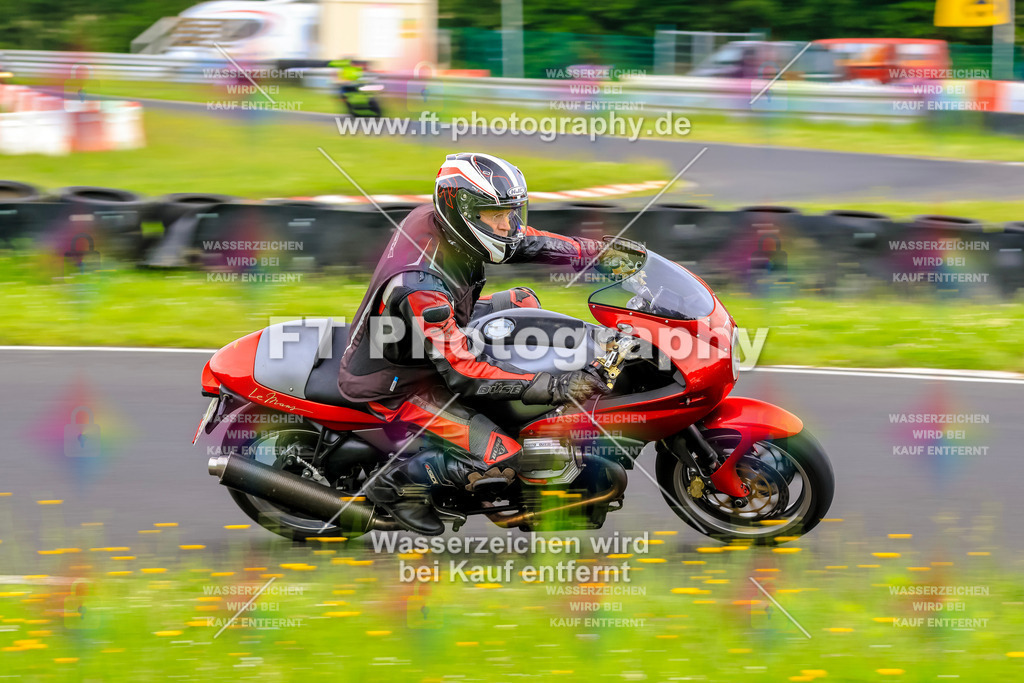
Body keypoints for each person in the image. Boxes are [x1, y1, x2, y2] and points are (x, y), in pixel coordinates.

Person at [337, 152, 628, 535]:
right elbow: (461, 372)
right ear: (464, 210)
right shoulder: (419, 286)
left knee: (523, 302)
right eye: (498, 214)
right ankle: (398, 487)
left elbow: (528, 242)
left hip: (435, 333)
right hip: (401, 381)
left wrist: (598, 255)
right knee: (504, 457)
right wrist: (552, 385)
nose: (508, 225)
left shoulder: (444, 222)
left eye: (511, 212)